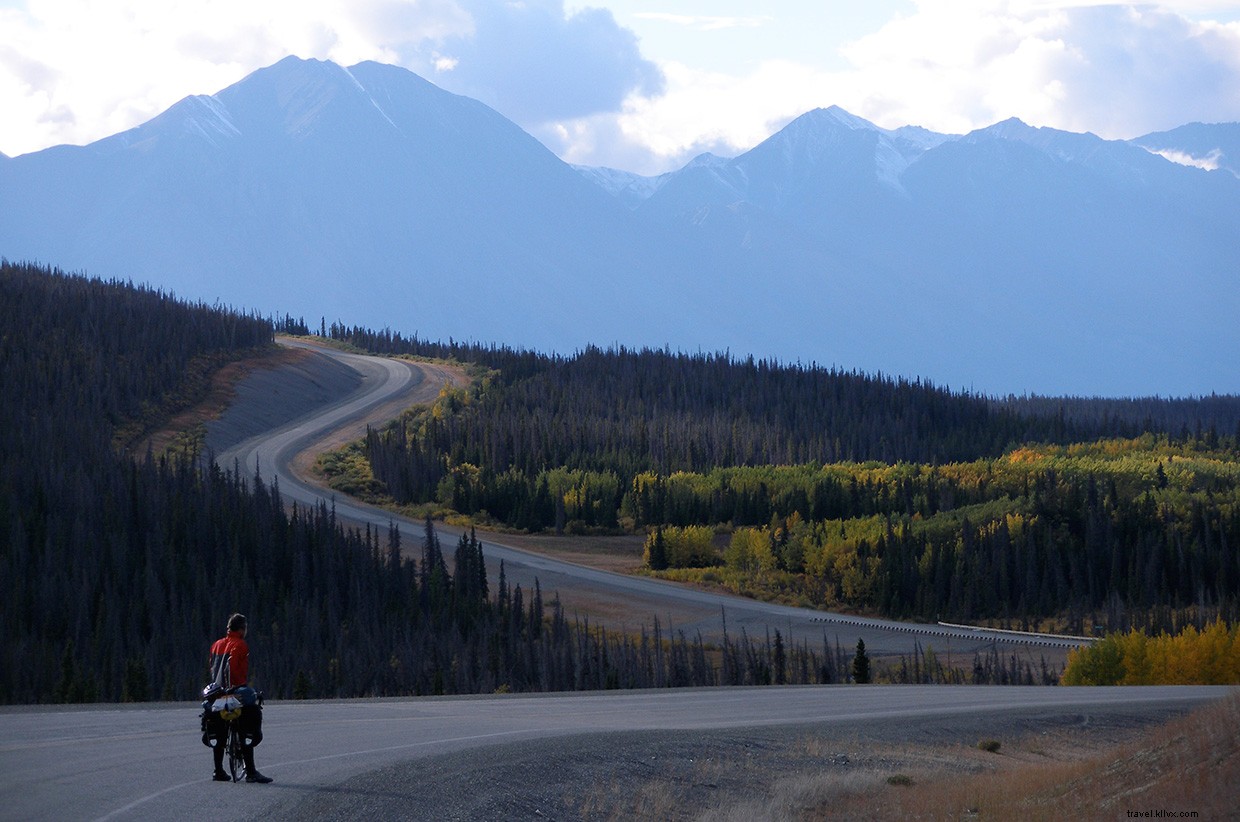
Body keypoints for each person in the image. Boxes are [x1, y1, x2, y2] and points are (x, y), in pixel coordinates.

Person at [207, 613, 272, 783]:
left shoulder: (216, 644)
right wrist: (236, 688)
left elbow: (212, 667)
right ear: (242, 629)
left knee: (219, 729)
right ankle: (251, 772)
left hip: (216, 692)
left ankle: (218, 770)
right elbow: (234, 668)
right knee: (247, 720)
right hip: (234, 690)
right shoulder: (240, 644)